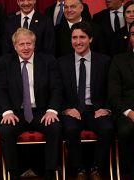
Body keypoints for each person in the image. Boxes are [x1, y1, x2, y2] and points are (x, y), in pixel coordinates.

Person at [0, 28, 62, 180]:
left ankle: (50, 173)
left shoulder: (48, 61)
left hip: (42, 111)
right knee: (5, 130)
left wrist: (52, 110)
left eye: (28, 44)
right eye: (21, 44)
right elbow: (0, 90)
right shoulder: (5, 62)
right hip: (16, 113)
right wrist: (7, 112)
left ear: (34, 44)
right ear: (15, 46)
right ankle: (13, 174)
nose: (25, 47)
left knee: (55, 128)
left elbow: (56, 88)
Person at [58, 21, 113, 180]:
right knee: (70, 130)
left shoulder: (104, 61)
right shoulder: (61, 62)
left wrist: (107, 109)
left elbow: (112, 89)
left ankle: (96, 168)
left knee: (107, 129)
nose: (78, 41)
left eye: (82, 37)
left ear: (91, 39)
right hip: (72, 110)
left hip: (96, 109)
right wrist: (66, 109)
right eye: (74, 37)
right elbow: (56, 91)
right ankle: (79, 169)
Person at [108, 21, 134, 180]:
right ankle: (130, 173)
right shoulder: (119, 60)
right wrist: (130, 112)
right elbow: (114, 94)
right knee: (126, 130)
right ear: (130, 38)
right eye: (133, 34)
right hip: (127, 111)